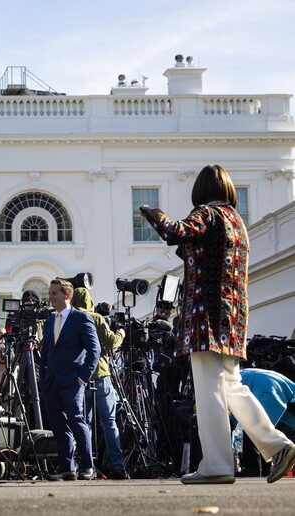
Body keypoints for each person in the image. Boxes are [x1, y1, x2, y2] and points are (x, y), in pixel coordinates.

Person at [140, 164, 295, 484]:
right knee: (230, 386)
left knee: (211, 389)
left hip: (204, 317)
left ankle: (217, 463)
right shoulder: (235, 220)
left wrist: (150, 211)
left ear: (201, 192)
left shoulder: (207, 213)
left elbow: (175, 232)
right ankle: (276, 446)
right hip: (232, 318)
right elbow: (201, 252)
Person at [39, 278, 100, 481]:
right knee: (58, 426)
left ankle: (87, 467)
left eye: (54, 293)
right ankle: (67, 468)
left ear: (67, 295)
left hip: (73, 381)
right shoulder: (48, 322)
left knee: (77, 422)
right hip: (51, 382)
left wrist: (83, 378)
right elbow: (46, 352)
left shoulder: (81, 319)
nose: (50, 297)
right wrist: (43, 377)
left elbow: (94, 350)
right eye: (50, 293)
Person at [70, 287, 128, 479]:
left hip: (79, 378)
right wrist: (121, 333)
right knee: (109, 422)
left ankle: (84, 467)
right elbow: (111, 343)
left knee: (83, 424)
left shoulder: (70, 319)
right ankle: (118, 466)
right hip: (101, 375)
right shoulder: (95, 317)